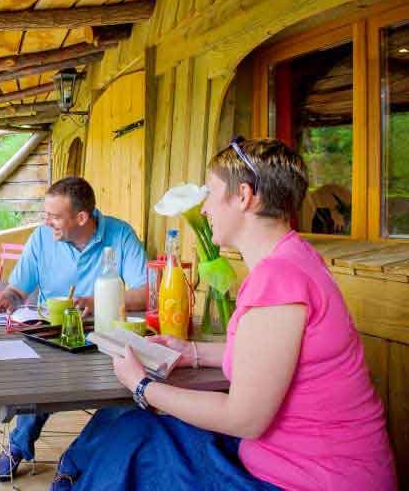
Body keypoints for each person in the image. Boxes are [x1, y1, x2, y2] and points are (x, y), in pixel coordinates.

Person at [51, 138, 396, 490]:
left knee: (135, 440)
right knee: (120, 422)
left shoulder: (280, 280)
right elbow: (269, 356)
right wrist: (191, 353)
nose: (204, 209)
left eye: (211, 193)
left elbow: (244, 418)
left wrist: (142, 386)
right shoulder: (292, 260)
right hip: (281, 461)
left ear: (244, 196)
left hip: (308, 480)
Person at [0, 176, 149, 480]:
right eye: (46, 215)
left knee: (130, 396)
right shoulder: (41, 238)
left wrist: (98, 301)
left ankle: (74, 463)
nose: (47, 222)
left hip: (105, 338)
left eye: (55, 217)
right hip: (52, 336)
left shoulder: (121, 235)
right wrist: (6, 298)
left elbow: (145, 293)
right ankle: (18, 447)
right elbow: (17, 290)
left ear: (82, 217)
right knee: (38, 381)